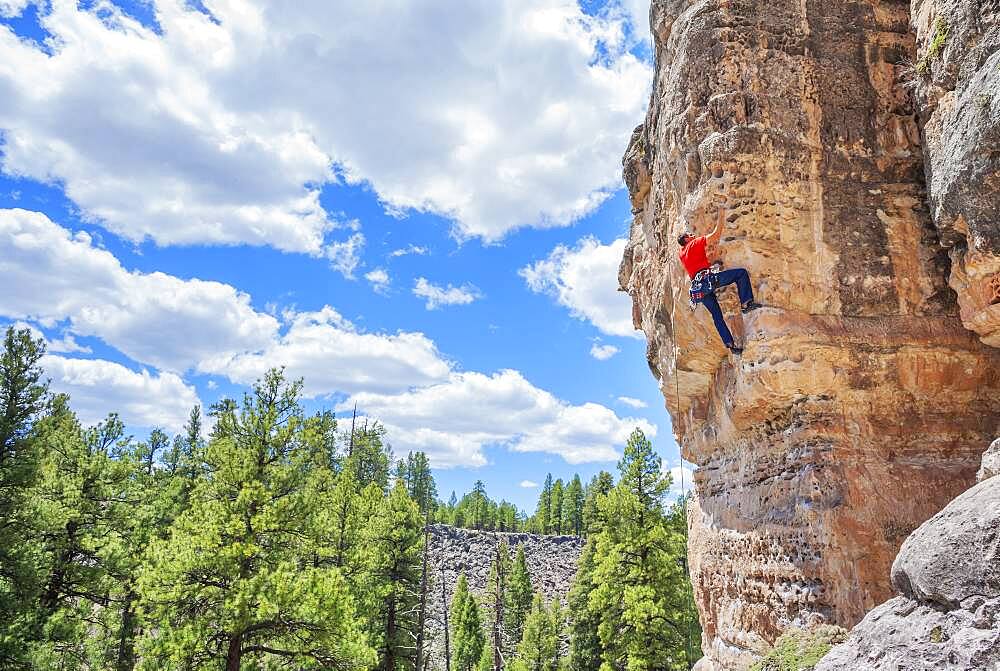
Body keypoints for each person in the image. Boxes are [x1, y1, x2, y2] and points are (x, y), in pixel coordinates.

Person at [678, 206, 761, 355]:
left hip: (699, 289)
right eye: (690, 234)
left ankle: (731, 345)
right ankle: (746, 303)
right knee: (740, 274)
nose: (693, 235)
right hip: (708, 280)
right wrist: (721, 216)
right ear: (686, 239)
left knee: (717, 316)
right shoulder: (694, 243)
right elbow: (715, 235)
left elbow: (697, 263)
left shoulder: (682, 254)